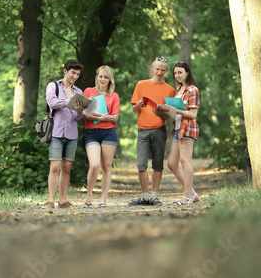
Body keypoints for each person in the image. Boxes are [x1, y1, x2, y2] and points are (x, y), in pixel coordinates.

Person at [129, 57, 176, 206]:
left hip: (159, 130)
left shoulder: (170, 90)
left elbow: (169, 115)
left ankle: (154, 195)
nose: (160, 72)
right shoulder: (141, 84)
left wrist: (159, 113)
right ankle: (144, 196)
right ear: (152, 68)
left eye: (163, 70)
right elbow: (134, 109)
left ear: (166, 71)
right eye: (157, 69)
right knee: (141, 164)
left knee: (157, 164)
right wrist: (138, 105)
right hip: (142, 129)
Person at [43, 59, 86, 210]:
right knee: (55, 167)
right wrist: (68, 101)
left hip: (72, 133)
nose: (75, 76)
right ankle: (50, 201)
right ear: (65, 70)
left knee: (67, 167)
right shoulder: (53, 86)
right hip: (56, 132)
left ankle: (62, 201)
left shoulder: (79, 92)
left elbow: (77, 117)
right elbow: (52, 103)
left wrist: (80, 111)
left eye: (78, 74)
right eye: (73, 73)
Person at [82, 65, 120, 208]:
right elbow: (84, 113)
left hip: (108, 133)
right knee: (94, 165)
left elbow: (115, 118)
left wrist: (101, 117)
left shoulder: (114, 96)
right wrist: (103, 117)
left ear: (110, 79)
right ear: (97, 76)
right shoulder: (89, 91)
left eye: (106, 77)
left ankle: (103, 199)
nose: (103, 79)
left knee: (106, 166)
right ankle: (89, 196)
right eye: (100, 76)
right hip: (91, 132)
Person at [167, 61, 200, 205]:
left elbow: (192, 114)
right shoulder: (178, 90)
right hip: (178, 128)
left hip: (188, 128)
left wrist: (175, 110)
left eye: (180, 72)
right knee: (172, 164)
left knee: (185, 162)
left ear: (187, 73)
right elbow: (177, 113)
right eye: (175, 73)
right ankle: (193, 194)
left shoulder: (193, 90)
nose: (177, 75)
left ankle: (187, 196)